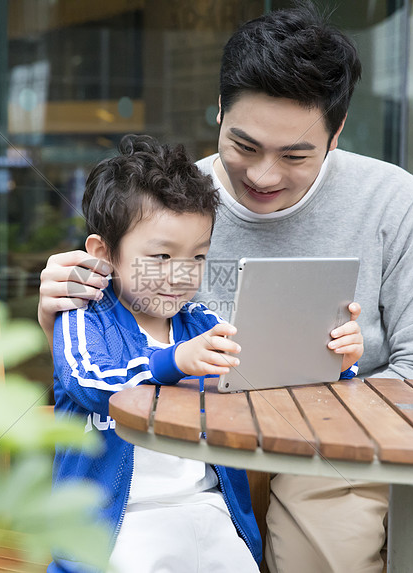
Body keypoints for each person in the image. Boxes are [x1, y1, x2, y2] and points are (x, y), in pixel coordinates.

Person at [39, 4, 413, 573]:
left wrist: (339, 382)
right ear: (219, 112)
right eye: (244, 146)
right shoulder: (174, 210)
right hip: (301, 464)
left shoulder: (392, 199)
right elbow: (112, 345)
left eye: (295, 154)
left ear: (336, 132)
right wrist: (62, 314)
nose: (264, 176)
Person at [49, 133, 364, 573]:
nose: (181, 274)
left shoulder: (200, 323)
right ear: (104, 254)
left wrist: (336, 359)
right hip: (119, 523)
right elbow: (91, 383)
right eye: (160, 256)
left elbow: (267, 374)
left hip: (207, 508)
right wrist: (174, 361)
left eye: (198, 257)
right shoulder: (86, 319)